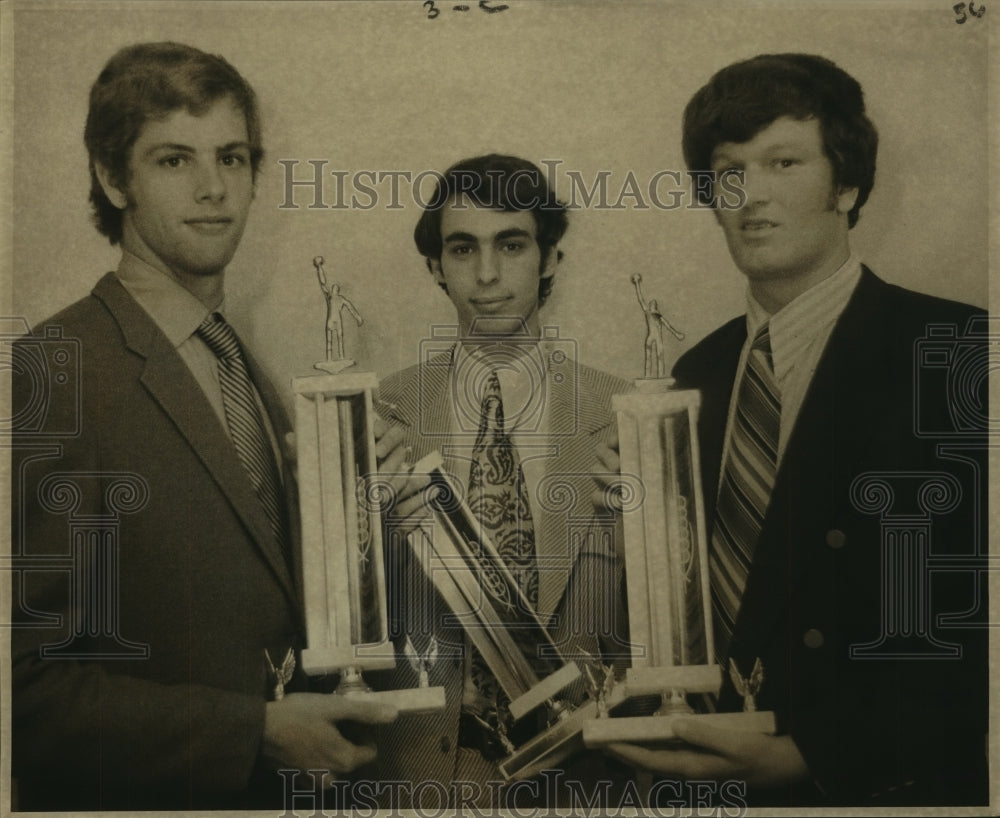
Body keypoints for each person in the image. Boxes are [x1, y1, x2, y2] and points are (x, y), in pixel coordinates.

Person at [9, 42, 397, 811]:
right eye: (174, 161)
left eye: (234, 157)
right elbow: (23, 692)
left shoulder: (244, 367)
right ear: (112, 177)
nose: (214, 189)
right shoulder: (52, 368)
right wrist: (249, 730)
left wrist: (364, 499)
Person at [596, 53, 989, 807]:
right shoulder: (694, 373)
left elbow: (977, 635)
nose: (751, 195)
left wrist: (818, 753)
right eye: (728, 170)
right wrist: (633, 532)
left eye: (783, 161)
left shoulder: (959, 353)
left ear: (845, 184)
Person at [371, 154, 632, 810]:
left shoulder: (624, 415)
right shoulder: (377, 417)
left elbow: (666, 623)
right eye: (463, 249)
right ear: (435, 266)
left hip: (588, 778)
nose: (487, 275)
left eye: (511, 245)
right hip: (426, 780)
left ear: (549, 260)